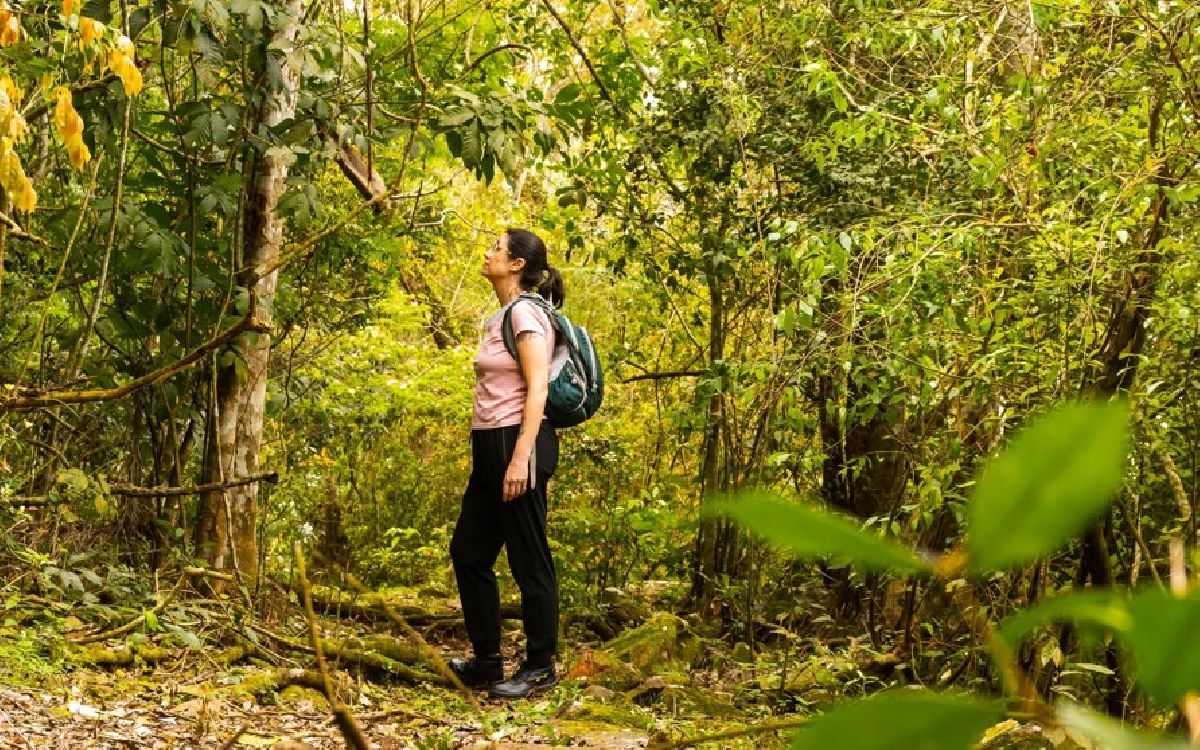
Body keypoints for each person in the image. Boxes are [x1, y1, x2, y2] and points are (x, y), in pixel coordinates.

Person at [448, 228, 565, 700]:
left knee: (528, 556)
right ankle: (487, 660)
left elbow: (537, 388)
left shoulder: (527, 313)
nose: (487, 252)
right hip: (490, 445)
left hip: (520, 445)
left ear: (517, 264)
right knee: (469, 551)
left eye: (496, 247)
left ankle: (540, 665)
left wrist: (520, 457)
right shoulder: (503, 314)